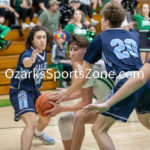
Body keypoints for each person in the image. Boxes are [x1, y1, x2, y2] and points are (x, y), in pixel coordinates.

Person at [51, 1, 147, 149]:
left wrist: (67, 92)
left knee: (99, 129)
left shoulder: (100, 38)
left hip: (126, 81)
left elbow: (84, 75)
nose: (101, 21)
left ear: (106, 21)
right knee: (146, 120)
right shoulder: (133, 36)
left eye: (102, 18)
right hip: (145, 79)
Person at [47, 34, 114, 150]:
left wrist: (61, 108)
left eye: (76, 50)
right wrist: (59, 97)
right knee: (64, 121)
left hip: (112, 105)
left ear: (86, 50)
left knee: (79, 116)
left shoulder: (89, 68)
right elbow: (81, 92)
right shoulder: (81, 65)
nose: (71, 53)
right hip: (105, 102)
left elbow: (85, 102)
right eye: (70, 50)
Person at [9, 26, 55, 150]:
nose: (42, 40)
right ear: (32, 40)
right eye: (38, 38)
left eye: (44, 37)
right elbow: (26, 62)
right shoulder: (28, 53)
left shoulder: (44, 52)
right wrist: (31, 60)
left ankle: (38, 134)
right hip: (20, 91)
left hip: (33, 91)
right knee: (31, 122)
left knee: (48, 114)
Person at [84, 59, 150, 130]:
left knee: (98, 129)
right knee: (143, 120)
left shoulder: (96, 65)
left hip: (132, 82)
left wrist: (107, 103)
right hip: (134, 82)